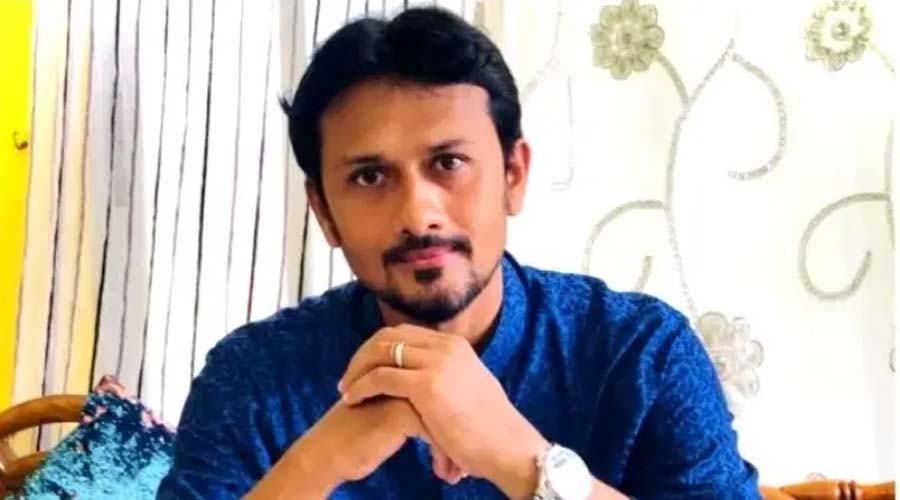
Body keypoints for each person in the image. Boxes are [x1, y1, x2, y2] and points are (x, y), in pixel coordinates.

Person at [157, 7, 760, 500]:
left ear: (514, 175)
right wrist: (322, 460)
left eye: (448, 163)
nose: (418, 213)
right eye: (370, 176)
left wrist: (523, 460)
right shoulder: (252, 378)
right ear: (324, 212)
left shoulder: (642, 355)